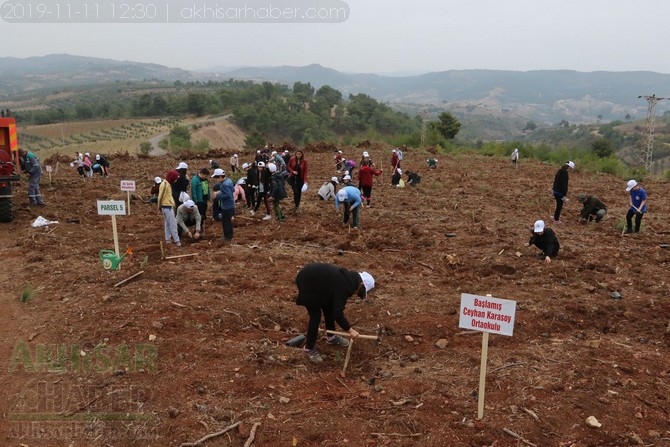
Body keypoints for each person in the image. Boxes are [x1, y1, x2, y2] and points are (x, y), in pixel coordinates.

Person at [294, 263, 375, 363]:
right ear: (360, 284)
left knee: (328, 306)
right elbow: (337, 314)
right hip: (308, 282)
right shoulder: (345, 286)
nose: (357, 294)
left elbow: (334, 308)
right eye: (360, 292)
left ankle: (331, 337)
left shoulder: (348, 279)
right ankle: (309, 348)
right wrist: (349, 330)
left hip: (317, 283)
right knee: (315, 316)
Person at [157, 170, 180, 246]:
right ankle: (177, 241)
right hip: (167, 207)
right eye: (175, 178)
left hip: (167, 206)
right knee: (173, 224)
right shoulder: (165, 185)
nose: (176, 180)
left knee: (167, 224)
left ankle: (168, 240)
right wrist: (159, 206)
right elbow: (160, 196)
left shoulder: (167, 184)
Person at [212, 168, 235, 242]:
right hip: (231, 205)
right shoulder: (229, 181)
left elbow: (227, 195)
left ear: (220, 177)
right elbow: (232, 190)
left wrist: (218, 196)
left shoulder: (223, 185)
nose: (216, 180)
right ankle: (230, 235)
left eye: (216, 178)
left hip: (226, 206)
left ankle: (227, 237)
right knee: (229, 221)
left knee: (225, 222)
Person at [287, 149, 308, 214]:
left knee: (299, 193)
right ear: (295, 154)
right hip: (293, 178)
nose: (298, 155)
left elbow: (305, 171)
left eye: (300, 154)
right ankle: (296, 205)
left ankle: (297, 206)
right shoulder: (292, 159)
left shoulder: (304, 161)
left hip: (300, 179)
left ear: (302, 155)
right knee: (295, 192)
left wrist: (305, 181)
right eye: (297, 154)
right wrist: (292, 171)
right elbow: (288, 166)